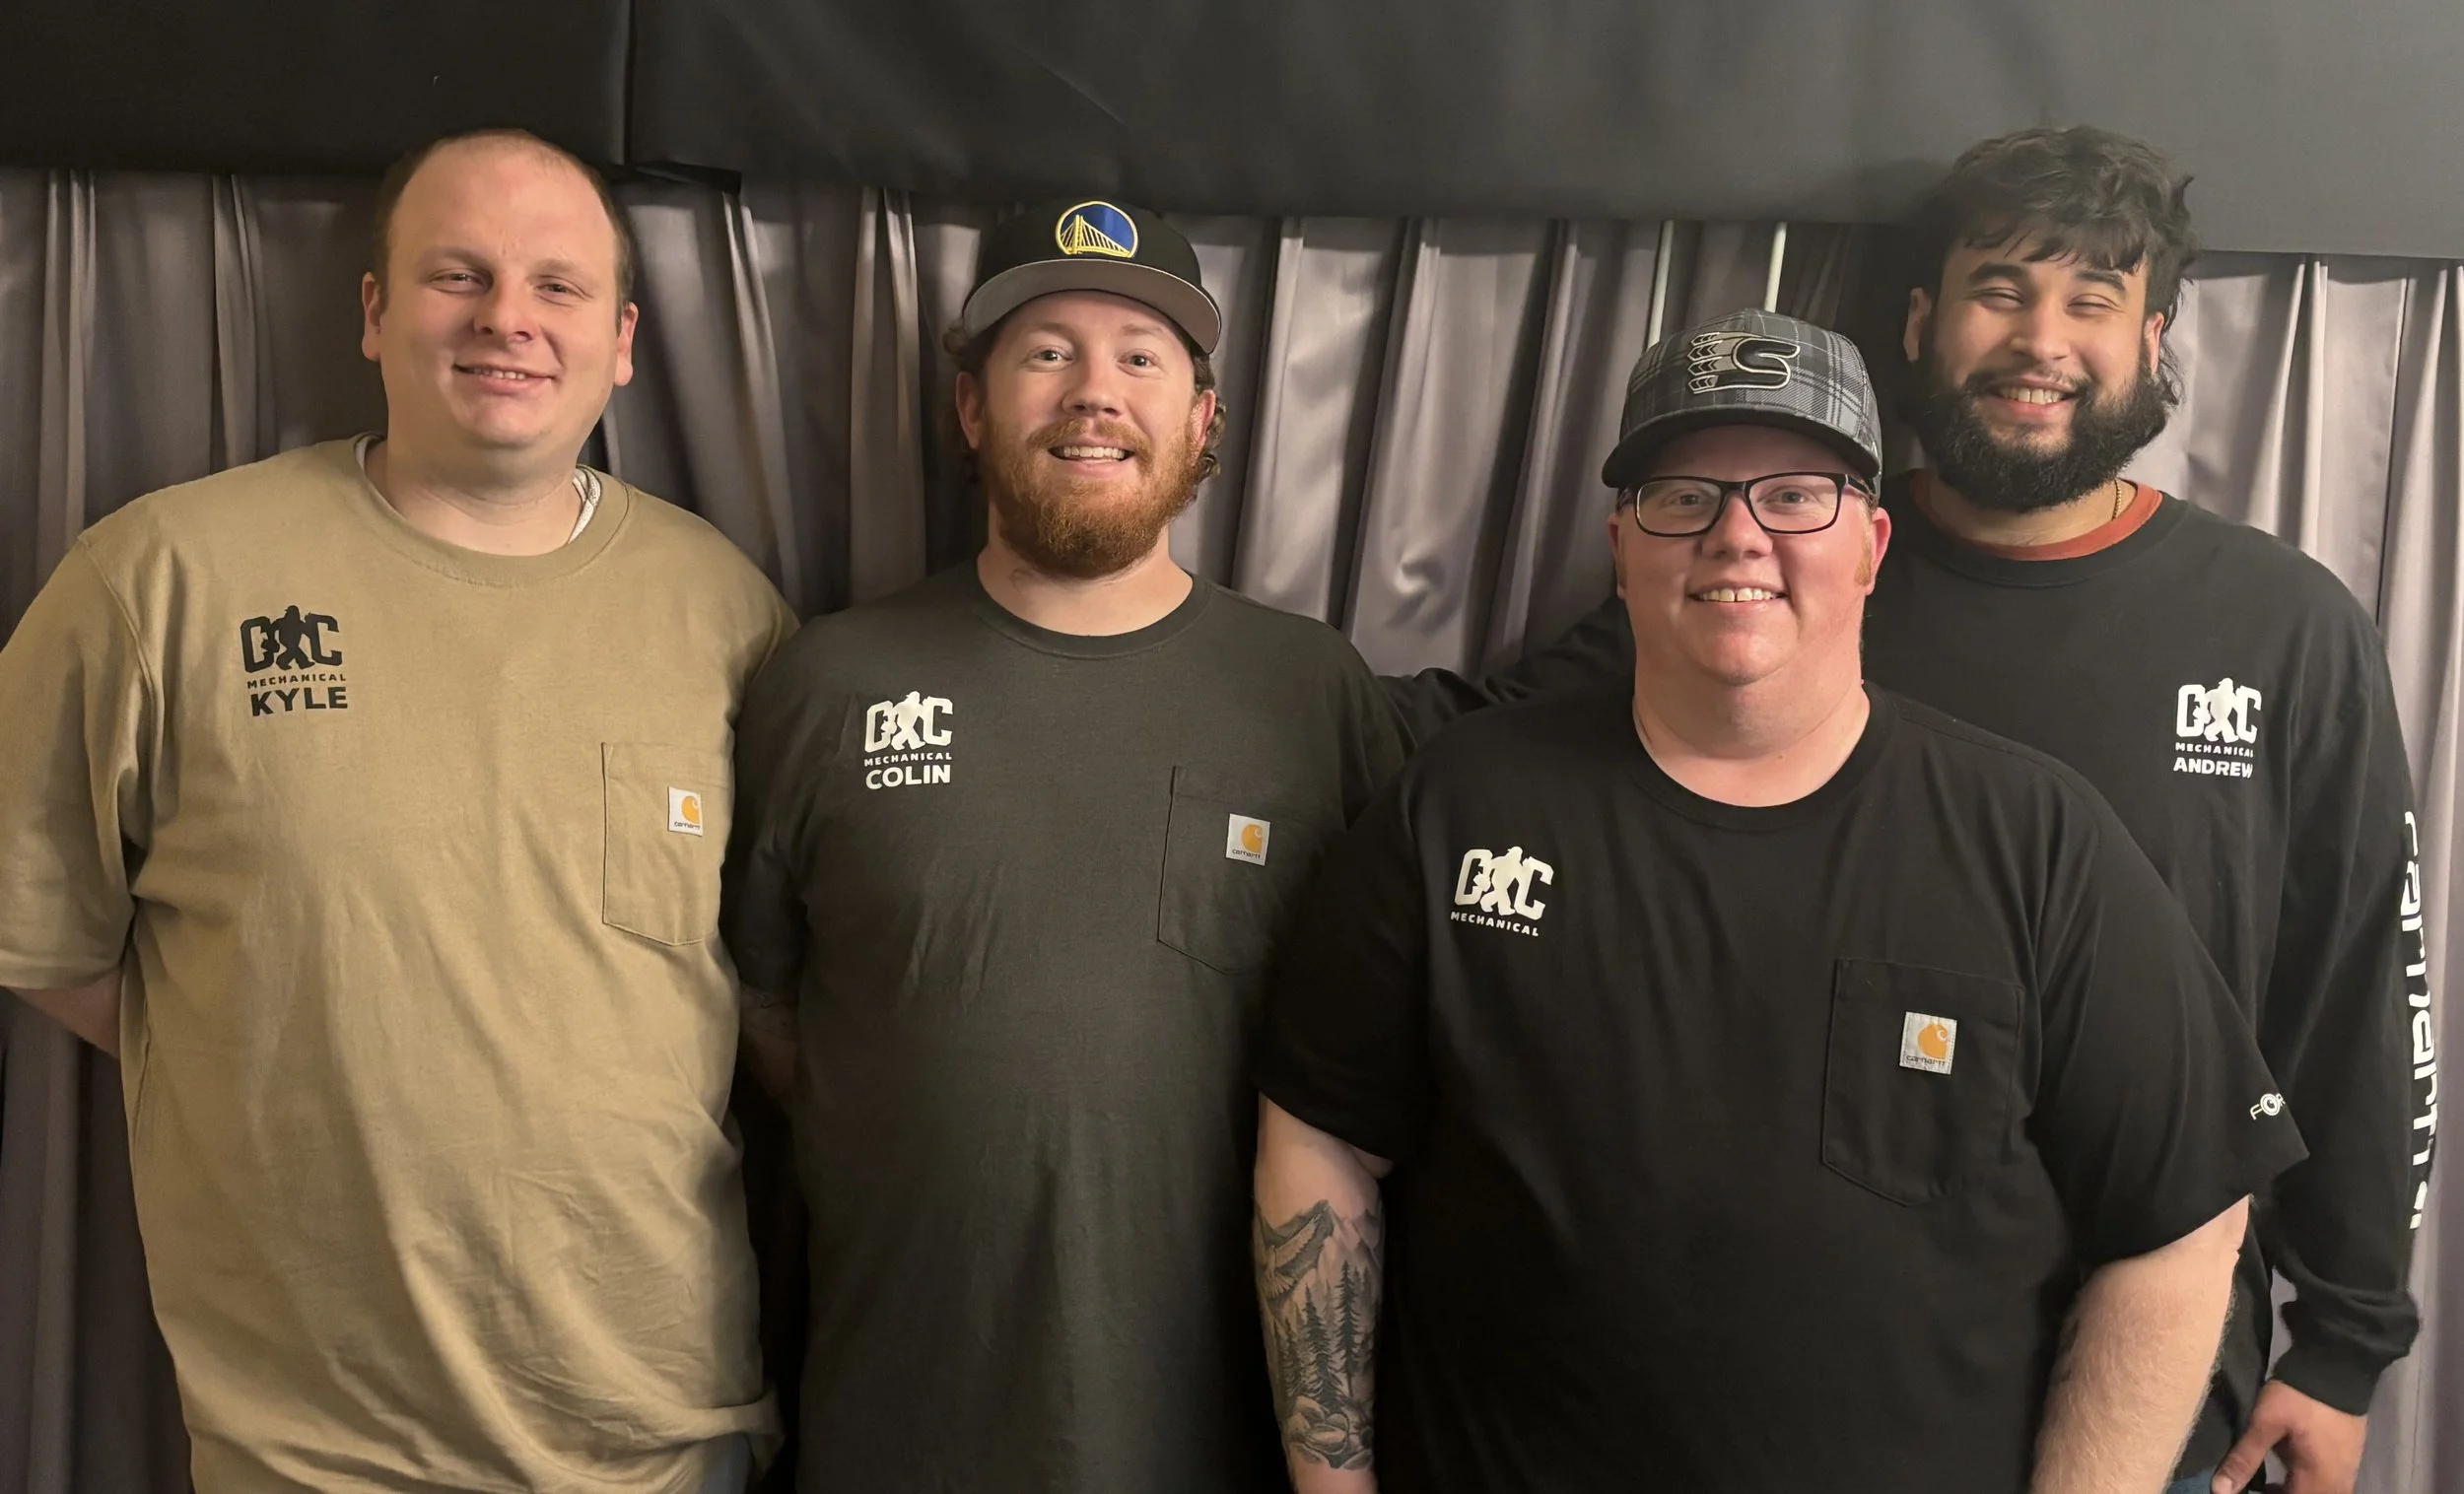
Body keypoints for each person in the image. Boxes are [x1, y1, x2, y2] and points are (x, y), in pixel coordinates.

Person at [1386, 128, 2436, 1494]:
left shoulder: (2286, 626)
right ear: (1925, 324)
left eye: (2092, 300)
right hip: (1821, 1396)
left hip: (2153, 1391)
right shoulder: (1781, 567)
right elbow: (1497, 745)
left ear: (2158, 340)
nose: (2040, 339)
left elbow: (2363, 982)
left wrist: (2343, 1343)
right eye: (2002, 290)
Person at [1260, 306, 2307, 1494]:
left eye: (1794, 495)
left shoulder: (2035, 840)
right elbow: (1321, 1138)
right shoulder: (1458, 804)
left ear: (1869, 544)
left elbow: (2186, 1220)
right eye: (1684, 496)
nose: (1735, 537)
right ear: (1621, 543)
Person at [0, 129, 789, 1493]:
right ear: (372, 313)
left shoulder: (728, 612)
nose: (505, 320)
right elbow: (53, 940)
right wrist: (273, 1051)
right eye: (456, 276)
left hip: (664, 1440)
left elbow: (776, 993)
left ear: (623, 341)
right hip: (308, 1451)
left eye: (557, 287)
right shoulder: (157, 580)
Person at [719, 199, 1407, 1493]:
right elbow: (771, 1014)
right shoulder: (824, 682)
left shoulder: (1313, 694)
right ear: (972, 407)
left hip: (1221, 1437)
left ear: (1205, 418)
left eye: (1141, 357)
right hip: (898, 1420)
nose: (1095, 393)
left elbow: (1372, 1068)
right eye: (1047, 351)